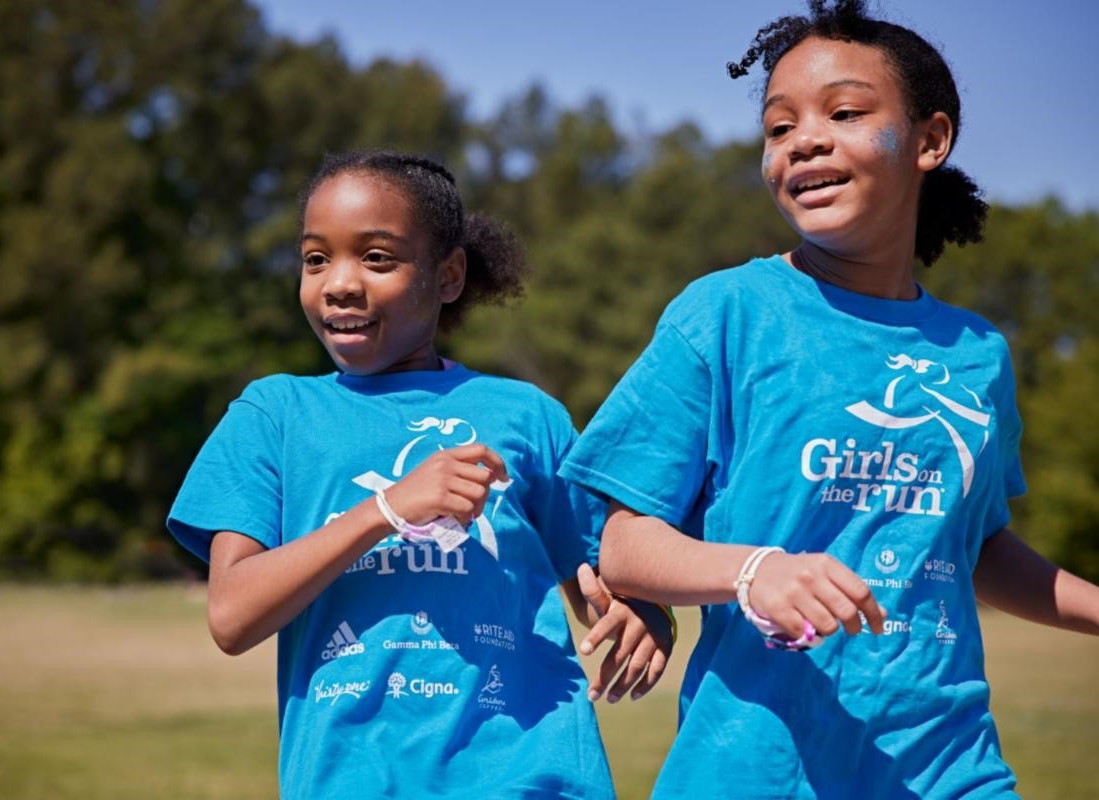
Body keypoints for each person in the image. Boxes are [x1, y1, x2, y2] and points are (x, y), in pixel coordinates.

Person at [559, 1, 1099, 797]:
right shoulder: (727, 314)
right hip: (755, 768)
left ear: (930, 141)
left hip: (951, 769)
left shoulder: (978, 355)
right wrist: (754, 573)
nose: (803, 139)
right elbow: (623, 542)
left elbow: (973, 547)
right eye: (779, 128)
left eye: (844, 113)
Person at [167, 150, 671, 799]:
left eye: (376, 258)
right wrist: (389, 509)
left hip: (530, 779)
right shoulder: (275, 414)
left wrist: (648, 617)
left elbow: (613, 580)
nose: (339, 283)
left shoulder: (527, 415)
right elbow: (232, 616)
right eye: (316, 258)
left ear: (449, 275)